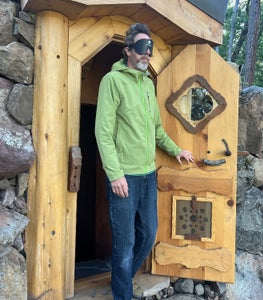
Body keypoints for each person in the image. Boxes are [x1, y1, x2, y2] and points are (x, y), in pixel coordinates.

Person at [95, 23, 194, 300]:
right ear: (127, 51)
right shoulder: (111, 82)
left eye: (149, 49)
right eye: (141, 48)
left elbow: (157, 129)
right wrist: (114, 175)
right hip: (124, 176)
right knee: (124, 243)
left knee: (148, 234)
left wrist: (176, 150)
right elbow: (102, 132)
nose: (146, 54)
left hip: (148, 175)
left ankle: (122, 278)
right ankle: (123, 293)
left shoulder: (149, 84)